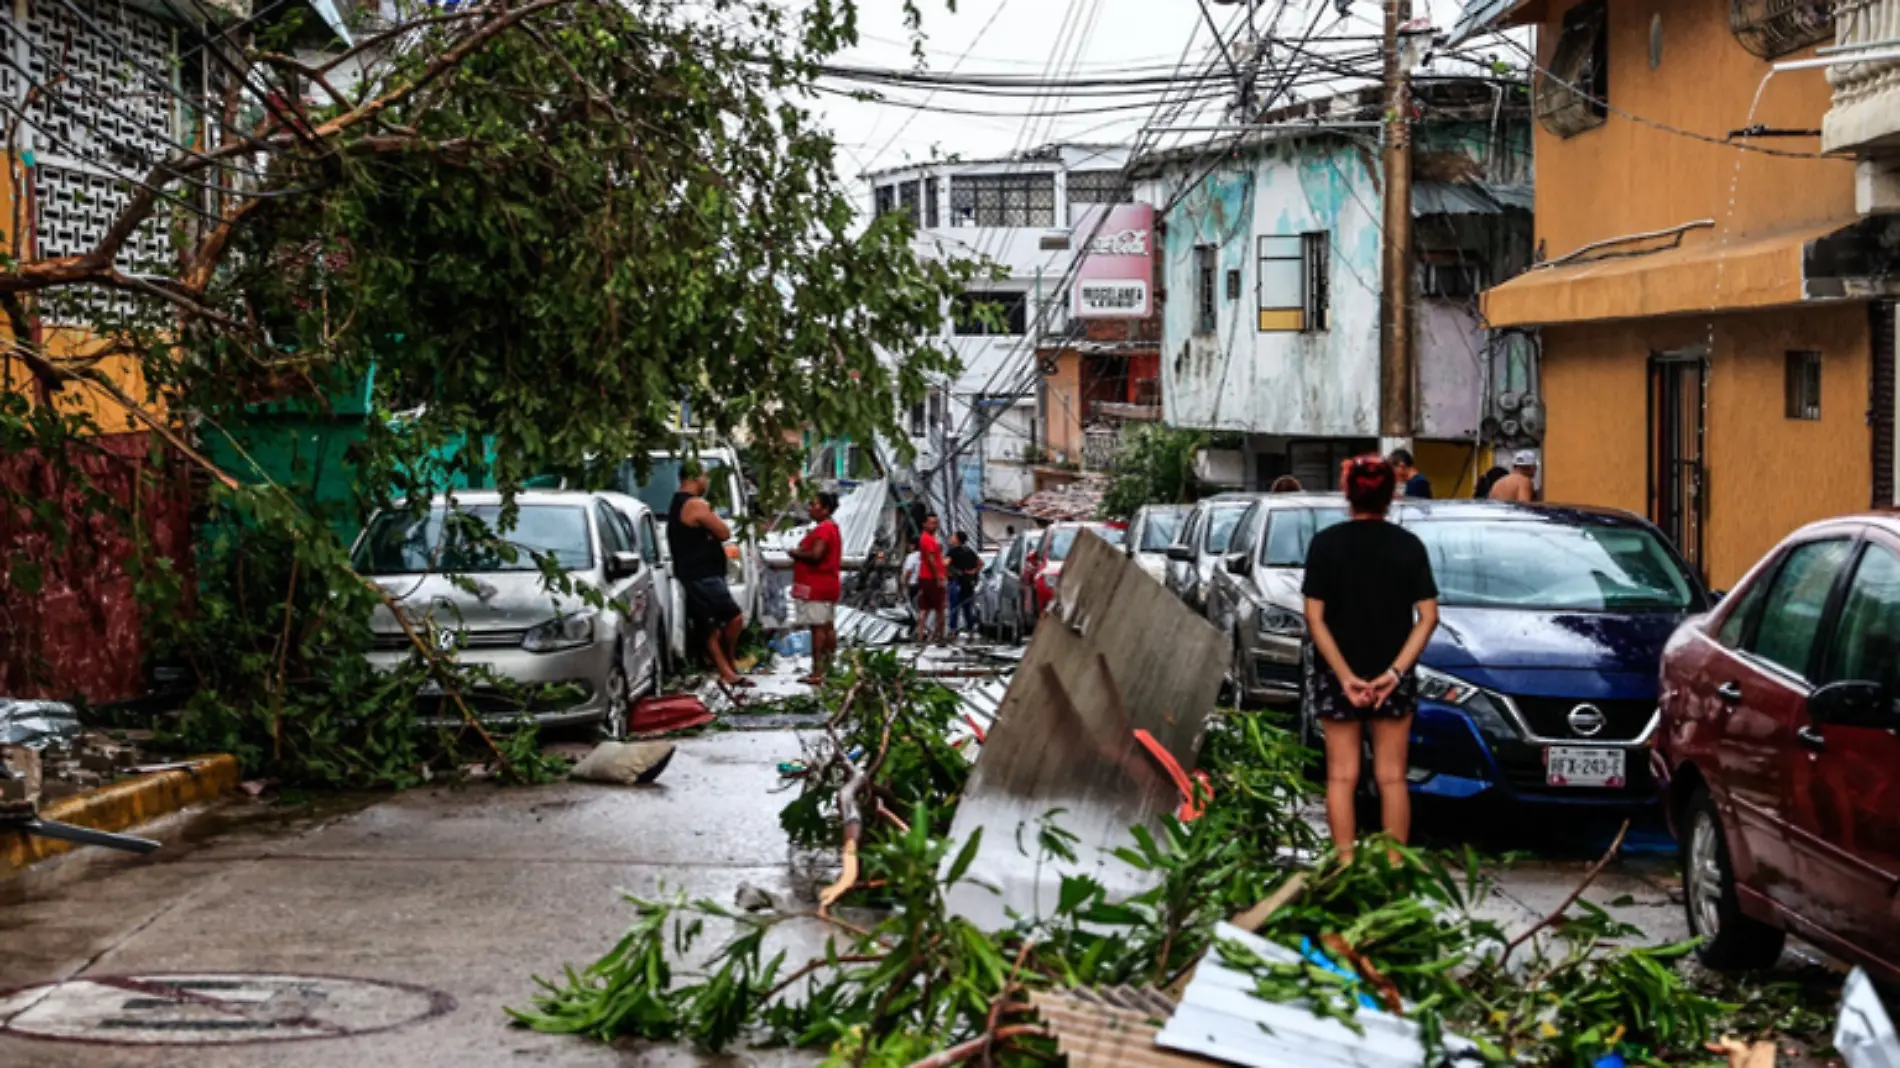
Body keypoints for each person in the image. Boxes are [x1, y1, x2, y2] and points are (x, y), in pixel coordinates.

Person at [1301, 455, 1440, 863]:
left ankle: (1346, 867)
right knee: (1392, 777)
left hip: (1337, 675)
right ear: (1390, 495)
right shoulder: (1408, 546)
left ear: (1348, 494)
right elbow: (1428, 617)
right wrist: (1395, 673)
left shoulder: (1325, 544)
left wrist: (1344, 676)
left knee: (1341, 776)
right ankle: (1393, 869)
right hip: (1391, 677)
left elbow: (1314, 617)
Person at [668, 463, 748, 688]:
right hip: (703, 575)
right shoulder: (694, 504)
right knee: (734, 618)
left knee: (709, 627)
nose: (707, 483)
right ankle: (728, 662)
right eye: (705, 477)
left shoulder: (676, 504)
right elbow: (724, 532)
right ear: (695, 477)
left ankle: (725, 671)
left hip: (693, 573)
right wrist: (711, 532)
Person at [787, 491, 843, 685]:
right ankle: (828, 668)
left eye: (814, 505)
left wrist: (796, 553)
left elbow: (816, 555)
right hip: (828, 584)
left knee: (818, 628)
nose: (810, 508)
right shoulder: (831, 528)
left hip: (817, 585)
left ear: (825, 509)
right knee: (827, 626)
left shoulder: (823, 530)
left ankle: (818, 670)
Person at [914, 513, 948, 644]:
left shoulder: (927, 538)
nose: (935, 525)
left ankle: (921, 635)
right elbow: (931, 559)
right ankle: (940, 636)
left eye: (936, 523)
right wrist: (938, 576)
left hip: (925, 577)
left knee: (924, 608)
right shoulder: (928, 539)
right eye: (932, 523)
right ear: (925, 524)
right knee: (940, 608)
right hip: (931, 578)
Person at [947, 531, 983, 637]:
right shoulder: (970, 551)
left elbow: (946, 563)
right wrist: (974, 572)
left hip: (956, 581)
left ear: (957, 539)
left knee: (954, 607)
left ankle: (953, 630)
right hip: (968, 582)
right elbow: (980, 563)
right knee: (967, 607)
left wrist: (948, 572)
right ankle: (970, 629)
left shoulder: (953, 551)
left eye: (953, 536)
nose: (951, 538)